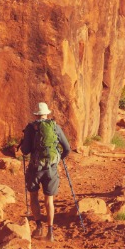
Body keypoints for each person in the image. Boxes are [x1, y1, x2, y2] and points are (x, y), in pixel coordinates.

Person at [20, 102, 72, 241]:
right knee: (49, 200)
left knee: (34, 197)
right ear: (47, 113)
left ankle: (38, 227)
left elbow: (25, 151)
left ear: (36, 115)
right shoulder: (55, 127)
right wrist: (57, 159)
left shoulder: (31, 128)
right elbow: (67, 148)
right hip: (51, 169)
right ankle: (50, 233)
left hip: (35, 169)